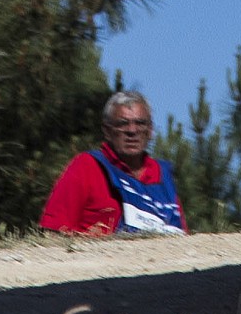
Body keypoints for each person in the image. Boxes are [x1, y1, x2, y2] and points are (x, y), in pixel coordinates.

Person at [39, 91, 186, 236]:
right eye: (123, 123)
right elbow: (53, 233)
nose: (132, 130)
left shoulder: (163, 178)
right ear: (107, 131)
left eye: (140, 123)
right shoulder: (87, 166)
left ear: (150, 130)